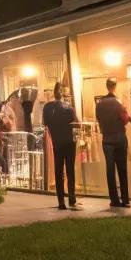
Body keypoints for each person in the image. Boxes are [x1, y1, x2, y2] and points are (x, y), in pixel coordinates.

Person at [94, 78, 131, 208]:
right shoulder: (118, 103)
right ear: (115, 86)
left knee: (110, 170)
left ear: (106, 86)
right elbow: (124, 120)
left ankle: (114, 199)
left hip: (107, 140)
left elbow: (98, 119)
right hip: (119, 138)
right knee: (122, 169)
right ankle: (125, 199)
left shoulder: (99, 104)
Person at [42, 82, 82, 211]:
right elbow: (77, 123)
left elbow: (45, 124)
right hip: (69, 142)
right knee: (70, 171)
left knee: (58, 172)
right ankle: (72, 200)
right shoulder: (69, 107)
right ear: (62, 93)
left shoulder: (47, 108)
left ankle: (61, 202)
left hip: (57, 143)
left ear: (53, 93)